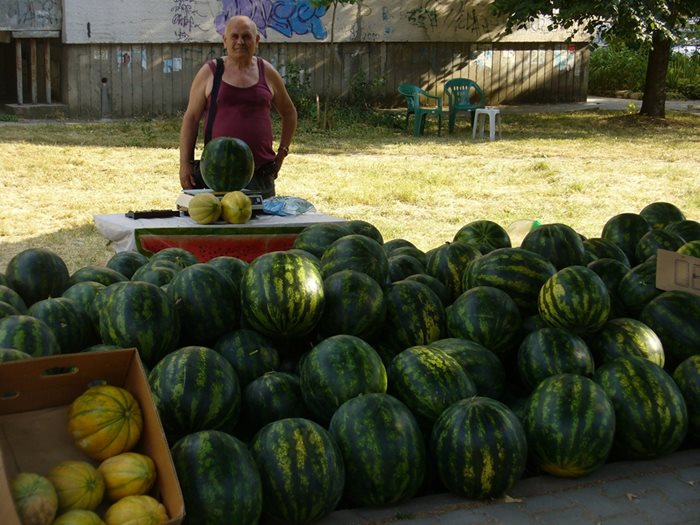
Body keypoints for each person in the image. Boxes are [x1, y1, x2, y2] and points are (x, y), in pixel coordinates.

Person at [179, 15, 297, 199]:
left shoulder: (267, 72)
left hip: (260, 174)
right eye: (234, 36)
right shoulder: (211, 71)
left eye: (246, 36)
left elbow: (289, 113)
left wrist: (282, 152)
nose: (240, 42)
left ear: (256, 41)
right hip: (216, 175)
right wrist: (184, 164)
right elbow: (191, 119)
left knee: (262, 226)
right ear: (225, 41)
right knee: (218, 226)